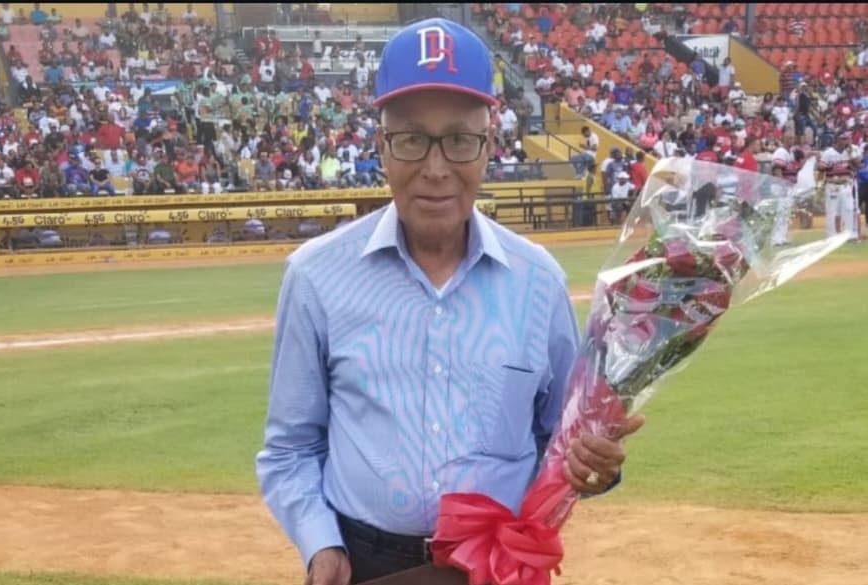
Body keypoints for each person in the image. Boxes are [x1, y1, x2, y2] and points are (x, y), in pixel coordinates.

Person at [256, 18, 645, 585]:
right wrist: (321, 546)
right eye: (411, 139)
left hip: (499, 564)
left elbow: (564, 439)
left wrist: (594, 465)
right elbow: (290, 449)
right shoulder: (315, 276)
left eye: (460, 140)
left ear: (489, 147)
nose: (435, 169)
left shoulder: (539, 281)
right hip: (365, 565)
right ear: (382, 146)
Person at [819, 133, 860, 241]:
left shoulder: (851, 151)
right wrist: (831, 165)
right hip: (833, 185)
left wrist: (851, 154)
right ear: (837, 140)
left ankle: (849, 235)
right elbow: (820, 167)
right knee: (832, 211)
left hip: (846, 184)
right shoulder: (828, 152)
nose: (846, 141)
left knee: (849, 209)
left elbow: (858, 165)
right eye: (844, 139)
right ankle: (831, 236)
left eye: (848, 139)